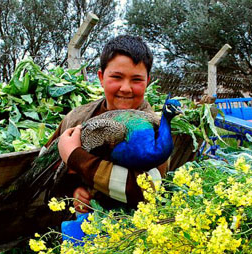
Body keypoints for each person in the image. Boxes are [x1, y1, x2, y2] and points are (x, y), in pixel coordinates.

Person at [45, 35, 168, 212]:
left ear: (148, 82)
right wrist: (74, 192)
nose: (126, 88)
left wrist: (76, 157)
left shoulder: (155, 129)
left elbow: (146, 190)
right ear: (101, 77)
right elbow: (51, 171)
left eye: (136, 80)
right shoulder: (77, 117)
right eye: (117, 77)